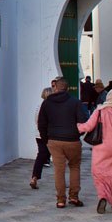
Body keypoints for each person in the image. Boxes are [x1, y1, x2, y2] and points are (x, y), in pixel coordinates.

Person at [37, 76, 89, 208]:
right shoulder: (75, 102)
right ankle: (74, 196)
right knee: (74, 167)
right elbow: (83, 121)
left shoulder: (47, 103)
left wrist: (46, 139)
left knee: (59, 170)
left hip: (54, 140)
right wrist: (77, 134)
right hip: (72, 140)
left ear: (55, 87)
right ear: (67, 88)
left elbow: (41, 123)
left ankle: (60, 199)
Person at [30, 87, 54, 189]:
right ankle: (61, 180)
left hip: (39, 134)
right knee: (58, 157)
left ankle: (34, 177)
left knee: (40, 156)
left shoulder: (39, 106)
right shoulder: (52, 106)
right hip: (50, 135)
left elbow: (36, 120)